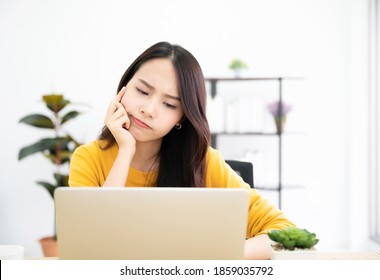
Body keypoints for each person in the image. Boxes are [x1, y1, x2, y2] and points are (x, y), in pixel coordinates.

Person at [68, 41, 295, 259]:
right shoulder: (88, 158)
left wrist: (214, 258)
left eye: (169, 104)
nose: (149, 110)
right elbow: (91, 246)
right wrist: (125, 149)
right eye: (142, 91)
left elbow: (284, 233)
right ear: (123, 89)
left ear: (182, 117)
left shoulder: (201, 161)